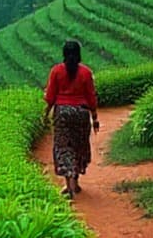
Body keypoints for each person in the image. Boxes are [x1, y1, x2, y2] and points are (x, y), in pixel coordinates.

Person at [45, 40, 98, 199]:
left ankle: (68, 186)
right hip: (81, 113)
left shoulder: (56, 71)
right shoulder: (86, 73)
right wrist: (94, 117)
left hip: (62, 113)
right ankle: (75, 182)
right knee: (79, 145)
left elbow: (50, 96)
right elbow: (91, 97)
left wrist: (46, 112)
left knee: (64, 147)